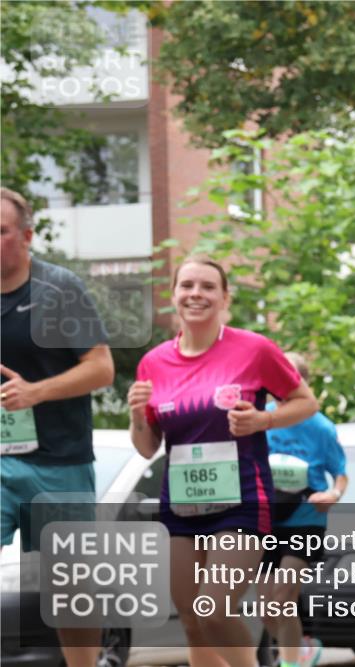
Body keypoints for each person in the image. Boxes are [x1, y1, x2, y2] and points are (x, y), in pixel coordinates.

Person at [127, 254, 319, 667]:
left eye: (208, 287)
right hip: (180, 503)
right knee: (193, 623)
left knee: (212, 608)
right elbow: (148, 446)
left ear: (225, 297)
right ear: (174, 295)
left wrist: (262, 420)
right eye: (187, 285)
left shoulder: (254, 349)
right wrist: (134, 414)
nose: (196, 294)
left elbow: (306, 402)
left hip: (241, 501)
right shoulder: (154, 362)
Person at [1, 187, 115, 667]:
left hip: (59, 463)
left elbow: (102, 367)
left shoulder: (58, 288)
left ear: (26, 236)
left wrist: (36, 391)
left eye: (1, 231)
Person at [259, 352, 348, 667]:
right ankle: (303, 646)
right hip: (266, 517)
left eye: (289, 378)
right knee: (267, 610)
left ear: (301, 382)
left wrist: (333, 494)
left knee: (283, 597)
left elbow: (340, 472)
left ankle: (291, 663)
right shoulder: (261, 419)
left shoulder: (320, 427)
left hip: (305, 517)